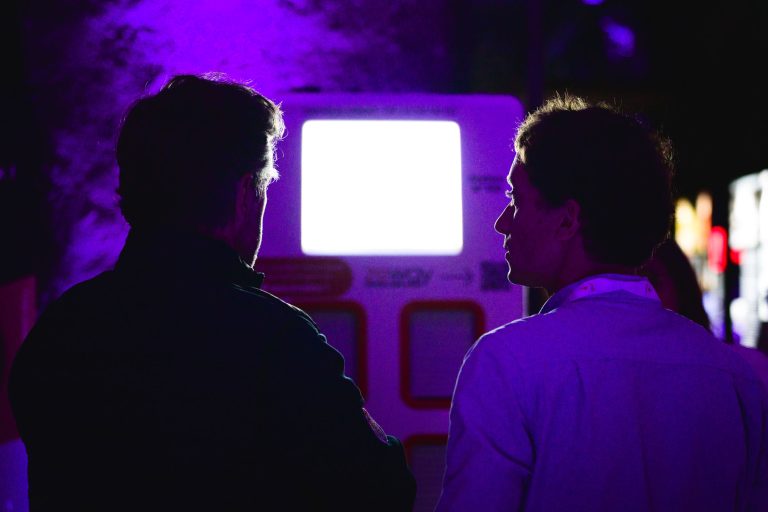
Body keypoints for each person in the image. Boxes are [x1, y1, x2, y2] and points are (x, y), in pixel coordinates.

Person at [9, 75, 415, 511]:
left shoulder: (60, 330)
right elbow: (383, 489)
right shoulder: (275, 340)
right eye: (263, 187)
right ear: (244, 195)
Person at [437, 95, 768, 511]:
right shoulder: (738, 376)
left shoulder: (505, 360)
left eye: (516, 200)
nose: (503, 222)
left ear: (567, 220)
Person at [644, 238, 768, 392]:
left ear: (682, 286)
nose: (636, 296)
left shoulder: (747, 371)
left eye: (650, 280)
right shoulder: (743, 370)